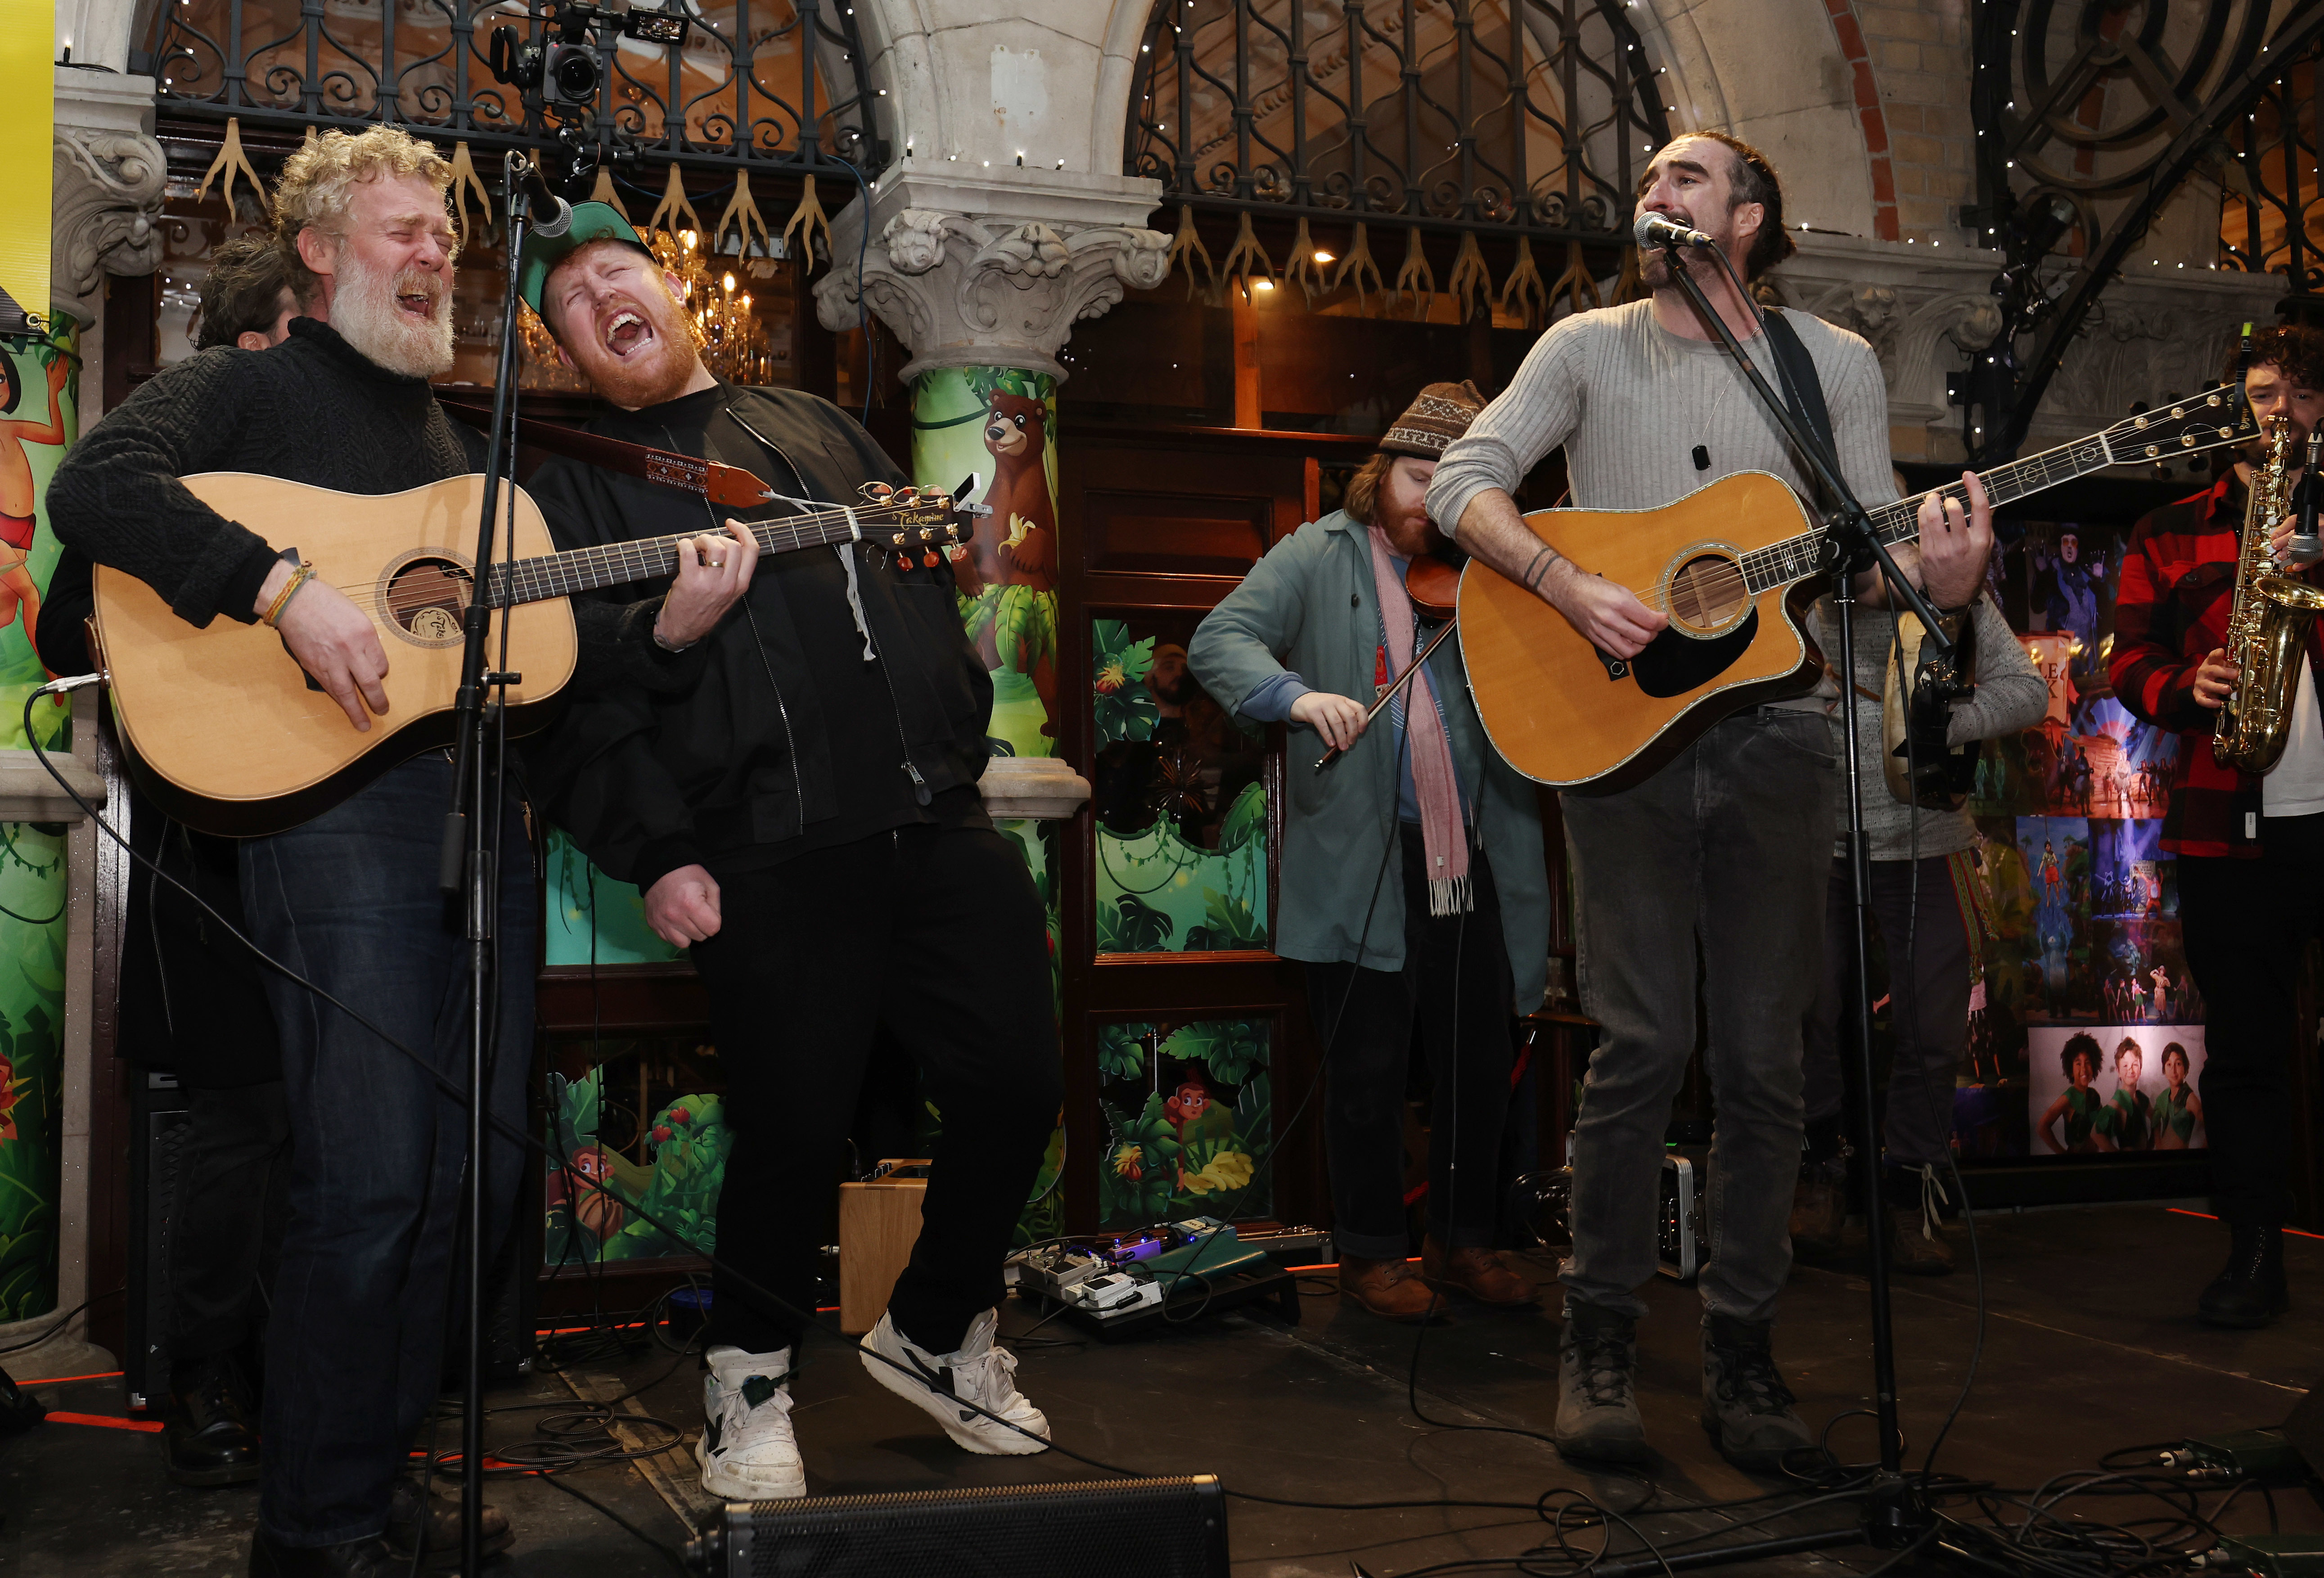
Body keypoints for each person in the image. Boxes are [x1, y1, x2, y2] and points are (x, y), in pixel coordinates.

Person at [1423, 130, 1993, 1469]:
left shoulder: (1828, 366)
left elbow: (1858, 554)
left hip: (1780, 736)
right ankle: (1600, 1333)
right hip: (1616, 740)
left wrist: (1936, 586)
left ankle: (1742, 1352)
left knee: (1763, 1059)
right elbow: (1461, 483)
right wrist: (1567, 587)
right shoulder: (1583, 346)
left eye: (1685, 177)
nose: (1654, 192)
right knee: (1639, 1042)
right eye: (1648, 178)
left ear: (1745, 215)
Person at [512, 203, 1061, 1501]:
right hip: (760, 852)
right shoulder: (564, 482)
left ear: (672, 287)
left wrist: (955, 727)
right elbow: (564, 706)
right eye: (573, 300)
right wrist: (653, 850)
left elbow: (916, 563)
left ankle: (935, 1330)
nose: (603, 298)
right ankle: (746, 1378)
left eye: (618, 271)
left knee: (1017, 1085)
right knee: (791, 1135)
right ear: (564, 347)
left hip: (934, 817)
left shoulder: (810, 420)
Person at [45, 127, 532, 1576]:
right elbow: (97, 486)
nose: (436, 250)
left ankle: (375, 1476)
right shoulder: (252, 384)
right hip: (334, 819)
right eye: (403, 229)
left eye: (445, 231)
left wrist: (674, 614)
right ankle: (314, 1528)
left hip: (474, 809)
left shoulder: (452, 440)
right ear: (318, 251)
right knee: (373, 1174)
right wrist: (280, 590)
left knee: (469, 1181)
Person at [38, 230, 309, 1491]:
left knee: (332, 1131)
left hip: (341, 841)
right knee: (236, 1118)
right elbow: (62, 626)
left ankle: (315, 1379)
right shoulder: (165, 459)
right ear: (257, 347)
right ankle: (205, 1375)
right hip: (207, 852)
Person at [1189, 382, 1551, 1321]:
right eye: (1416, 473)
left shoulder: (1494, 573)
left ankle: (1465, 1240)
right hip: (1362, 858)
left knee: (1478, 1062)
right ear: (1377, 473)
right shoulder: (1320, 553)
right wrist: (1295, 697)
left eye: (1452, 481)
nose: (1430, 497)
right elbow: (1217, 638)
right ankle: (1367, 1256)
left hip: (1466, 856)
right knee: (1366, 1071)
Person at [2110, 322, 2324, 1328]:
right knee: (2242, 1053)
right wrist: (2179, 684)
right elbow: (2122, 658)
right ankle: (2250, 1253)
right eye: (2261, 394)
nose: (2274, 411)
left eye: (2297, 395)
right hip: (2225, 830)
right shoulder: (2166, 530)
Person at [1792, 565, 2045, 1275]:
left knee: (1932, 1031)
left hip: (1931, 843)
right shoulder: (1803, 596)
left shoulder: (1958, 599)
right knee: (1806, 1010)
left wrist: (1932, 723)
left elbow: (2029, 691)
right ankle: (1819, 1171)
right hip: (1818, 843)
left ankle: (1910, 1194)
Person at [2038, 1034, 2107, 1153]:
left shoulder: (2094, 1095)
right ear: (2071, 1069)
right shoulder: (2068, 1098)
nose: (2084, 1069)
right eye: (2078, 1064)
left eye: (2088, 1062)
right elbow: (2042, 1127)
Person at [2099, 1037, 2153, 1151]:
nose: (2131, 1070)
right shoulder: (2118, 1101)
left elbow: (2156, 1121)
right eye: (2125, 1066)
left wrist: (2151, 1146)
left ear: (2141, 1068)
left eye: (2135, 1065)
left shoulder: (2142, 1098)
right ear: (2118, 1072)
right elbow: (2096, 1133)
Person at [2155, 1042, 2204, 1150]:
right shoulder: (2163, 1097)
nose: (2174, 1071)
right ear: (2164, 1069)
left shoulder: (2189, 1098)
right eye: (2169, 1065)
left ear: (2185, 1067)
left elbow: (2211, 1124)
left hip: (2180, 1162)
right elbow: (2155, 1124)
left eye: (2178, 1064)